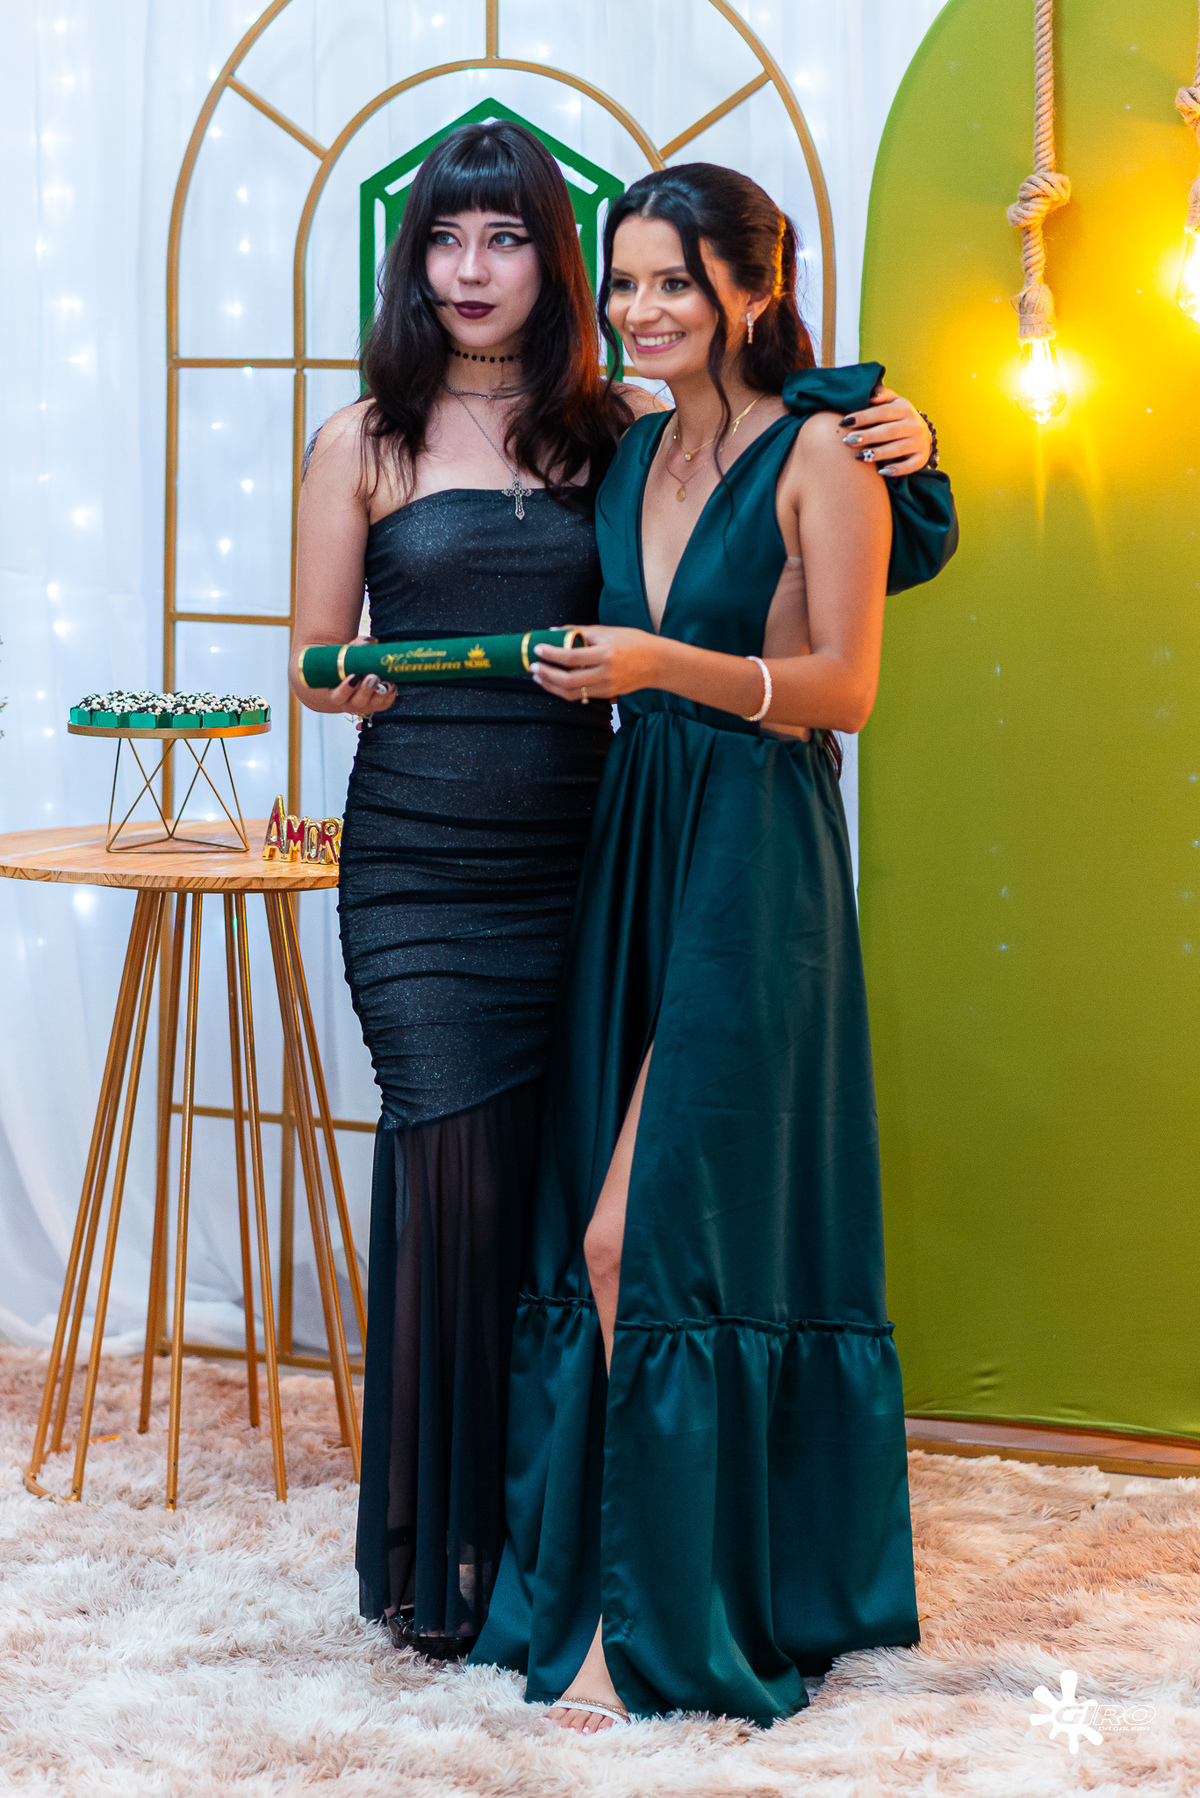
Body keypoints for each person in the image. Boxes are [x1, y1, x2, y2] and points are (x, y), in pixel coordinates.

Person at [290, 123, 943, 1659]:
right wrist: (350, 679)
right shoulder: (379, 438)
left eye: (507, 237)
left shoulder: (614, 431)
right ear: (412, 260)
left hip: (603, 851)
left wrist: (907, 429)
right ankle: (450, 1546)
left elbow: (793, 545)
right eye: (445, 239)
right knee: (467, 1187)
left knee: (576, 1210)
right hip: (430, 863)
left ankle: (568, 1551)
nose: (472, 269)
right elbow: (312, 659)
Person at [471, 163, 956, 1727]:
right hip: (636, 842)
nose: (640, 308)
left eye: (673, 280)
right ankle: (612, 1589)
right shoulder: (630, 446)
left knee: (642, 1237)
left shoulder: (825, 447)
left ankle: (643, 1627)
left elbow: (844, 690)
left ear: (754, 287)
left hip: (757, 850)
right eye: (623, 281)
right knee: (598, 1221)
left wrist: (664, 662)